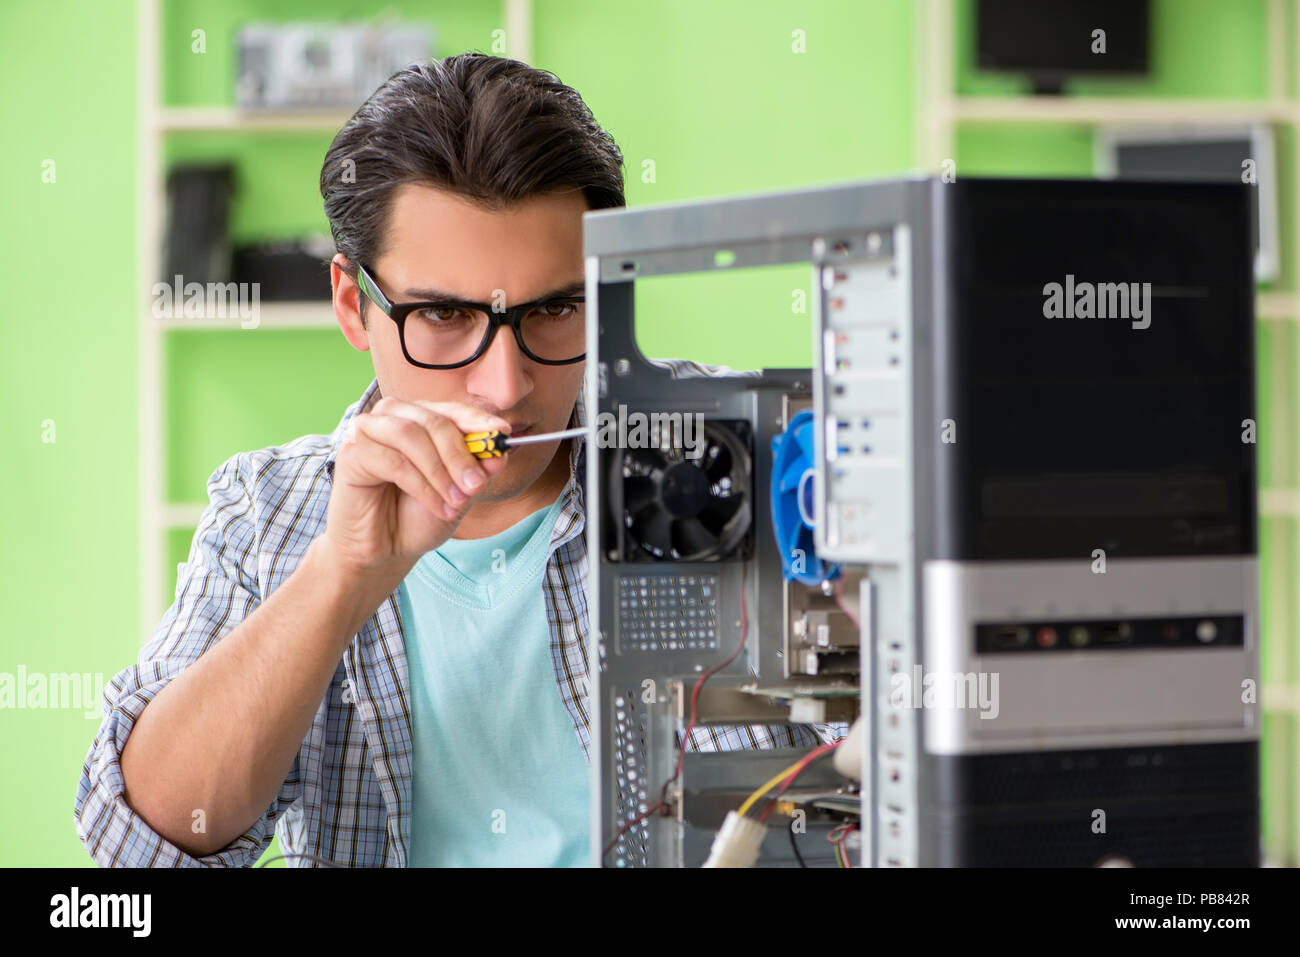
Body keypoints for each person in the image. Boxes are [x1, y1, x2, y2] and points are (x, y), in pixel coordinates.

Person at [75, 53, 840, 868]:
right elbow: (141, 844)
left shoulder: (742, 448)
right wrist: (341, 575)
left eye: (554, 308)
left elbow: (930, 769)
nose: (505, 384)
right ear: (352, 305)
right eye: (443, 313)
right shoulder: (269, 509)